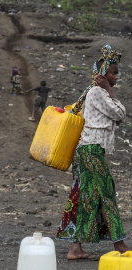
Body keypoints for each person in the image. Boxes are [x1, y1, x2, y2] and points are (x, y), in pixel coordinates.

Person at [56, 44, 130, 260]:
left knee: (86, 196)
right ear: (102, 75)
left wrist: (109, 88)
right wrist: (109, 88)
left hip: (89, 151)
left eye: (117, 73)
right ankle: (120, 246)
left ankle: (75, 248)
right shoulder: (98, 92)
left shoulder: (96, 92)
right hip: (90, 151)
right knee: (106, 194)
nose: (117, 76)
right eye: (113, 73)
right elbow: (119, 113)